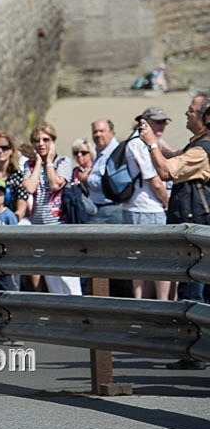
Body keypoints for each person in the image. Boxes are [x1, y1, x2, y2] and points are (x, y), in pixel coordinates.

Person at [141, 93, 210, 370]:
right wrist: (157, 143)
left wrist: (151, 144)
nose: (186, 114)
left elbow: (166, 171)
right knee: (194, 288)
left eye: (191, 110)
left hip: (197, 228)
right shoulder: (196, 146)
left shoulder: (202, 151)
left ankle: (195, 354)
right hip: (194, 226)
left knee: (194, 290)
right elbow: (174, 156)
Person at [21, 122, 82, 295]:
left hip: (60, 226)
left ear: (53, 142)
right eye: (36, 140)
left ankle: (76, 305)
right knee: (50, 274)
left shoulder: (63, 162)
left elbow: (56, 184)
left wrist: (49, 162)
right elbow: (30, 187)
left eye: (45, 140)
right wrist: (38, 163)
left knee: (67, 275)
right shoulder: (29, 165)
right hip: (39, 227)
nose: (41, 144)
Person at [124, 107, 171, 301]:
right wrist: (168, 203)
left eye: (164, 122)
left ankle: (145, 305)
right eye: (157, 122)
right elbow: (155, 181)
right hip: (148, 208)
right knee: (161, 261)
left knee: (141, 261)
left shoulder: (142, 141)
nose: (161, 126)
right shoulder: (140, 144)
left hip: (136, 207)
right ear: (144, 122)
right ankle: (160, 306)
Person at [86, 119, 122, 224]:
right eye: (95, 132)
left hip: (111, 210)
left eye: (101, 131)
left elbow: (112, 182)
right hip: (98, 208)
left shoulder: (115, 153)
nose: (98, 135)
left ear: (112, 133)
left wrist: (86, 179)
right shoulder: (100, 152)